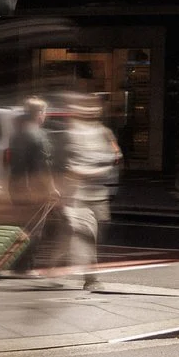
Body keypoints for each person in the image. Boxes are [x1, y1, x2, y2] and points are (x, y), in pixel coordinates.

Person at [53, 97, 121, 289]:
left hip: (99, 193)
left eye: (94, 108)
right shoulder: (70, 135)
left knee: (86, 232)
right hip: (77, 194)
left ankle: (59, 262)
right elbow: (64, 165)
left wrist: (109, 162)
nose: (91, 111)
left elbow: (116, 155)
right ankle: (91, 279)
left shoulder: (104, 132)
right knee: (87, 234)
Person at [1, 99, 57, 273]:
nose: (45, 116)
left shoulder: (17, 134)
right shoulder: (39, 136)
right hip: (34, 189)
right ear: (39, 114)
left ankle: (16, 264)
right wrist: (51, 188)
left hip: (16, 186)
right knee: (34, 228)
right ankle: (25, 267)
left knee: (20, 225)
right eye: (44, 113)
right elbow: (43, 167)